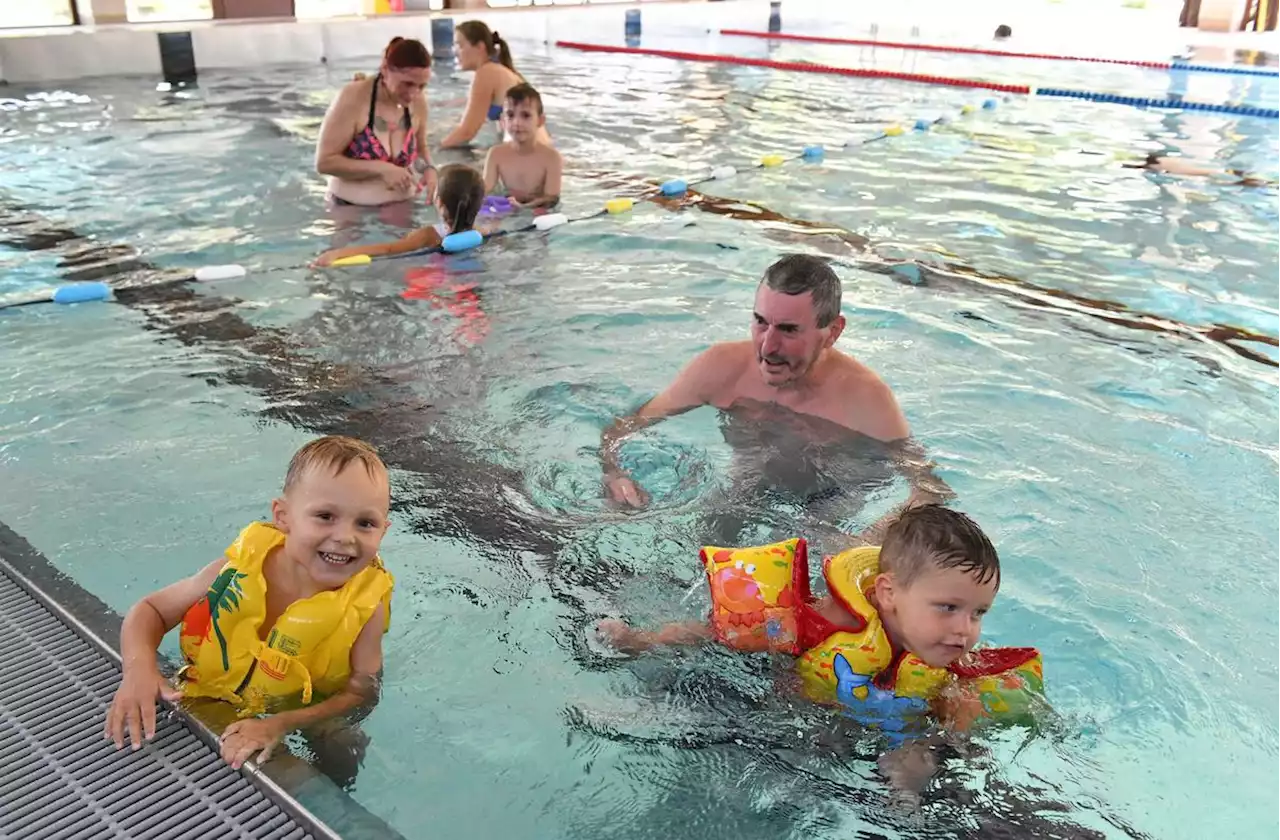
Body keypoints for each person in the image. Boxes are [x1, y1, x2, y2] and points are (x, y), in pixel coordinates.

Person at [597, 505, 1044, 758]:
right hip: (782, 712)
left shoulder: (952, 660)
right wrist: (640, 640)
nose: (965, 630)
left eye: (978, 613)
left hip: (870, 730)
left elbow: (951, 714)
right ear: (887, 592)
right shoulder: (827, 623)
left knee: (922, 757)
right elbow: (714, 633)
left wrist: (955, 724)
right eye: (948, 608)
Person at [104, 435, 395, 772]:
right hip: (213, 687)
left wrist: (281, 723)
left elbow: (362, 691)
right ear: (283, 517)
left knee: (341, 747)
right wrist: (139, 670)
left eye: (365, 523)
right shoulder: (238, 568)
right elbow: (150, 611)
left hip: (308, 703)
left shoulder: (367, 607)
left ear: (383, 532)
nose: (345, 537)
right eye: (325, 516)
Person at [600, 254, 951, 533]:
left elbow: (930, 490)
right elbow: (625, 427)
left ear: (832, 332)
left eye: (788, 329)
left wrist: (872, 536)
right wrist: (614, 473)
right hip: (752, 480)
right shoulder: (721, 368)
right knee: (706, 534)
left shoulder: (867, 399)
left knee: (820, 563)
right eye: (760, 322)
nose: (768, 347)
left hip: (832, 497)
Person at [316, 37, 437, 209]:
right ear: (385, 70)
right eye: (407, 84)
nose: (413, 94)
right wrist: (382, 169)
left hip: (402, 207)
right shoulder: (353, 98)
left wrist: (428, 169)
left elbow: (420, 149)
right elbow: (324, 162)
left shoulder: (418, 102)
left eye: (421, 86)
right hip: (350, 209)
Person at [314, 163, 486, 266]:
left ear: (438, 202)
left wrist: (337, 253)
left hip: (435, 281)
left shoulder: (427, 235)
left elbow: (387, 249)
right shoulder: (482, 233)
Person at [441, 21, 552, 149]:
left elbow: (466, 132)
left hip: (530, 155)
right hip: (538, 151)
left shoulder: (486, 73)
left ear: (480, 47)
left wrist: (437, 150)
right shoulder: (500, 70)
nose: (455, 52)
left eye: (460, 46)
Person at [482, 84, 562, 209]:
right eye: (510, 115)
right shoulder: (496, 154)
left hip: (537, 210)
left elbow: (551, 198)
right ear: (503, 121)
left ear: (540, 121)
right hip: (508, 206)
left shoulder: (551, 158)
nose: (517, 123)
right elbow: (484, 192)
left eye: (525, 115)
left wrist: (524, 207)